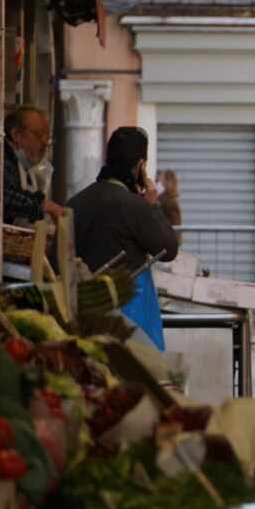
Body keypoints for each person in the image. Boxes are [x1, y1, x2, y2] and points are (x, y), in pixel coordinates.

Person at [68, 127, 179, 350]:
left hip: (84, 314)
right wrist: (153, 206)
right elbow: (168, 248)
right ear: (140, 166)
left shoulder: (76, 203)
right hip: (130, 321)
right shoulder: (135, 206)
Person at [3, 106, 64, 226]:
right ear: (16, 134)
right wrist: (44, 205)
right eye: (38, 135)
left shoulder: (26, 166)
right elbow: (3, 196)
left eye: (47, 138)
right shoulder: (1, 157)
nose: (44, 142)